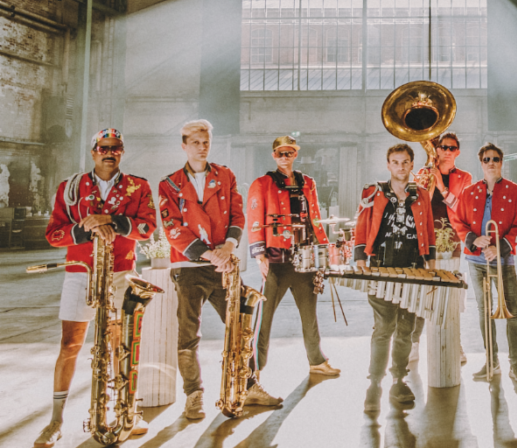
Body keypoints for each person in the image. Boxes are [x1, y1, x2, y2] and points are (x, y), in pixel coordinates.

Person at [35, 129, 156, 448]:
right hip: (81, 272)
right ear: (93, 152)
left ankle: (126, 410)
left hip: (121, 273)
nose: (109, 153)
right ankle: (56, 420)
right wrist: (84, 227)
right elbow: (53, 234)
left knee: (121, 345)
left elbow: (147, 228)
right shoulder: (70, 187)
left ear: (122, 152)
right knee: (70, 345)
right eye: (103, 148)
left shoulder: (138, 186)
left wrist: (111, 221)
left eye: (116, 148)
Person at [159, 120, 282, 420]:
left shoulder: (225, 175)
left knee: (241, 329)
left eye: (206, 142)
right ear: (184, 145)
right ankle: (194, 395)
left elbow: (238, 214)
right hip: (188, 268)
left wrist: (228, 247)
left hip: (225, 264)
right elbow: (172, 227)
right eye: (196, 142)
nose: (202, 147)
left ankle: (249, 385)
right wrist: (209, 255)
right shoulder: (170, 184)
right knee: (189, 336)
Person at [247, 136, 340, 377]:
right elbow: (255, 220)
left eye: (289, 153)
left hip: (305, 257)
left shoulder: (308, 182)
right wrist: (259, 255)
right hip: (276, 258)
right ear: (273, 155)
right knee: (263, 319)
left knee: (309, 314)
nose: (284, 157)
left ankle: (317, 361)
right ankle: (253, 369)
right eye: (280, 153)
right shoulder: (263, 183)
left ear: (295, 154)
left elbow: (315, 217)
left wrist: (325, 248)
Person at [354, 144, 436, 414]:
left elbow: (429, 230)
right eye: (395, 162)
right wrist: (360, 257)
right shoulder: (373, 191)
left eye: (405, 162)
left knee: (406, 329)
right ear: (388, 164)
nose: (400, 167)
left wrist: (431, 263)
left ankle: (399, 380)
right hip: (381, 266)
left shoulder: (422, 194)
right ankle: (374, 383)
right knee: (384, 326)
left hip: (412, 267)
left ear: (412, 164)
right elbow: (362, 223)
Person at [452, 142, 517, 383]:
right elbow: (458, 222)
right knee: (484, 311)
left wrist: (500, 247)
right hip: (476, 261)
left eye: (495, 159)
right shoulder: (469, 191)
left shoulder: (516, 191)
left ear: (501, 162)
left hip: (504, 260)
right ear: (481, 163)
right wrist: (474, 239)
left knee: (512, 311)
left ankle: (515, 364)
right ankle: (491, 362)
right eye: (487, 159)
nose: (491, 163)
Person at [412, 131, 472, 364]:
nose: (447, 151)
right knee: (420, 295)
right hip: (426, 242)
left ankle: (455, 343)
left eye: (452, 148)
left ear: (458, 151)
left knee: (452, 295)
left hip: (452, 242)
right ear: (435, 149)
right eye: (443, 147)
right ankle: (414, 344)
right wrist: (429, 179)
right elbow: (417, 206)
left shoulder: (465, 177)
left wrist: (442, 186)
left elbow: (462, 210)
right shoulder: (422, 174)